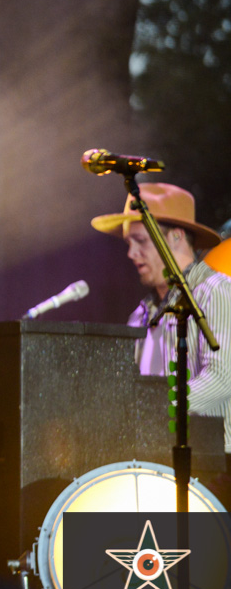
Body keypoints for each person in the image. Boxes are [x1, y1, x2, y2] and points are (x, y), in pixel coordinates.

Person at [91, 182, 231, 470]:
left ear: (176, 237)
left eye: (141, 241)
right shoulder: (140, 315)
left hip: (214, 467)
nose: (131, 253)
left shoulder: (214, 291)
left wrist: (157, 409)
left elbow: (222, 377)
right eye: (129, 243)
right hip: (155, 463)